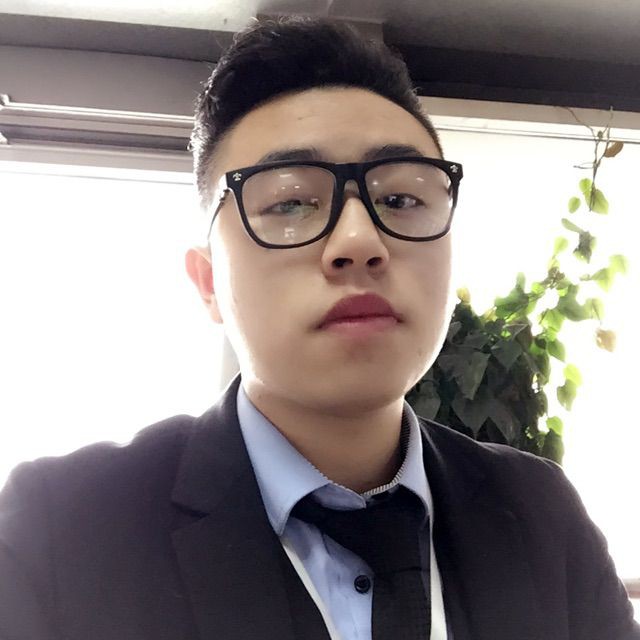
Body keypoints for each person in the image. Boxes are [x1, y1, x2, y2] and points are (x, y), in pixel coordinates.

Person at [0, 15, 637, 640]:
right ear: (208, 281)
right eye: (290, 202)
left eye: (400, 199)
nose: (359, 242)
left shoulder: (540, 510)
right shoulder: (61, 529)